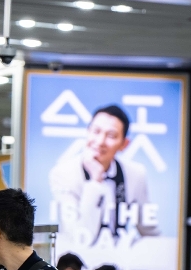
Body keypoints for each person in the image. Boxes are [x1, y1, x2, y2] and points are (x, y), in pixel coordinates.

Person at [48, 105, 158, 244]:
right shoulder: (63, 174)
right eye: (96, 131)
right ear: (87, 132)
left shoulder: (136, 174)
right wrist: (96, 181)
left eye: (111, 135)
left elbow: (149, 231)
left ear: (124, 144)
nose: (100, 141)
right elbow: (80, 238)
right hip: (78, 256)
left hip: (121, 255)